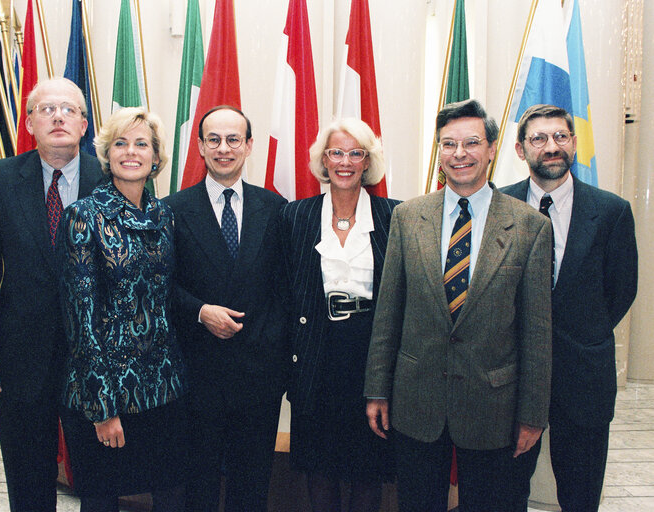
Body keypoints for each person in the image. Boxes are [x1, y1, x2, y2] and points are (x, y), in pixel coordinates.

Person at [363, 98, 553, 511]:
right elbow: (388, 313)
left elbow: (536, 333)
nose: (460, 154)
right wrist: (377, 389)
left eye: (471, 143)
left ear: (491, 149)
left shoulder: (530, 227)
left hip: (494, 408)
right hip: (417, 403)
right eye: (449, 144)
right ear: (439, 151)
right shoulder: (408, 218)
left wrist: (533, 414)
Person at [0, 77, 103, 511]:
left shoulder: (113, 178)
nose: (58, 116)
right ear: (29, 123)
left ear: (83, 124)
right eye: (46, 109)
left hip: (95, 359)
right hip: (20, 355)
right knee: (27, 477)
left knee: (101, 477)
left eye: (68, 109)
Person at [502, 104, 638, 512]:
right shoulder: (498, 206)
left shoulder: (612, 211)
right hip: (511, 380)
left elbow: (621, 290)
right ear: (519, 149)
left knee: (580, 497)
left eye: (561, 136)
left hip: (583, 382)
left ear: (574, 144)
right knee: (505, 495)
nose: (551, 147)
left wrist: (581, 331)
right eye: (539, 138)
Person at [58, 107, 189, 512]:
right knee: (102, 502)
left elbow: (168, 300)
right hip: (104, 393)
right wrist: (102, 409)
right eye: (120, 143)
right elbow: (80, 318)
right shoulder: (83, 216)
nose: (130, 152)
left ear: (155, 158)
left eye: (141, 144)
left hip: (164, 390)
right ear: (107, 154)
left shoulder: (166, 216)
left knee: (171, 496)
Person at [164, 105, 287, 512]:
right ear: (199, 146)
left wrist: (273, 356)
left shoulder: (276, 209)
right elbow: (160, 286)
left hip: (259, 376)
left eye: (233, 139)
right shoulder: (171, 210)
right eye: (213, 139)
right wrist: (200, 312)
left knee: (251, 486)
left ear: (249, 145)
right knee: (197, 485)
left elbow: (283, 291)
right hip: (198, 374)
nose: (223, 148)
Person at [278, 118, 398, 512]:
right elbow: (285, 293)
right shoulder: (295, 217)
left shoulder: (395, 217)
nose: (344, 162)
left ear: (367, 162)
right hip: (316, 352)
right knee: (320, 466)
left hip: (371, 353)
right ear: (323, 161)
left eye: (355, 153)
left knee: (367, 466)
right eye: (336, 153)